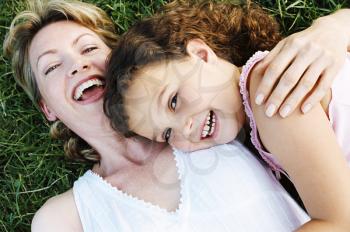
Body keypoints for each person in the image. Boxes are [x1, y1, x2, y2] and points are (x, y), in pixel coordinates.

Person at [2, 0, 349, 231]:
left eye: (89, 48)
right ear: (47, 108)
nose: (77, 65)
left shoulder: (228, 116)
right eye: (51, 67)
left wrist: (332, 28)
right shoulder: (64, 216)